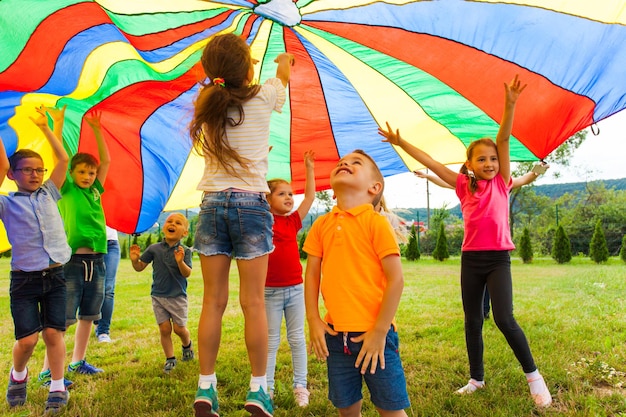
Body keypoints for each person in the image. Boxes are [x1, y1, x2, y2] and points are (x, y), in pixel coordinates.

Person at [379, 75, 552, 407]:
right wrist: (402, 144)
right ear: (470, 166)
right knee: (472, 320)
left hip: (498, 258)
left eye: (493, 159)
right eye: (481, 159)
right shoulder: (462, 186)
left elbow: (503, 137)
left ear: (500, 165)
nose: (489, 163)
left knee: (504, 318)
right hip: (471, 260)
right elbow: (430, 161)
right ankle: (476, 379)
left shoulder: (502, 183)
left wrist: (510, 104)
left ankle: (534, 376)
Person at [189, 33, 294, 417]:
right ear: (248, 67)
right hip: (251, 205)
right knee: (253, 302)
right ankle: (258, 390)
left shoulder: (208, 106)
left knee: (212, 302)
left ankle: (205, 386)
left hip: (213, 206)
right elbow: (284, 67)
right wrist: (281, 54)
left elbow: (233, 150)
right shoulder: (266, 96)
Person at [304, 150, 410, 417]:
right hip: (335, 337)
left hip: (376, 336)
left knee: (391, 410)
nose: (345, 164)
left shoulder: (376, 223)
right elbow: (312, 275)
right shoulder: (321, 224)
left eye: (355, 163)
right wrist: (314, 320)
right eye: (341, 162)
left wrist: (379, 331)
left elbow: (396, 280)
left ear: (374, 187)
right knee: (347, 408)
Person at [0, 106, 72, 413]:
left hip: (56, 275)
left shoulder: (49, 193)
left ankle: (57, 386)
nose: (35, 175)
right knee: (27, 341)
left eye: (39, 170)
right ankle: (18, 376)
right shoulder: (6, 203)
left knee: (53, 333)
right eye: (27, 170)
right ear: (11, 174)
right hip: (25, 280)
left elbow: (64, 160)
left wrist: (48, 127)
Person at [414, 162, 550, 320]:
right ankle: (484, 311)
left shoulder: (501, 184)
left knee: (498, 292)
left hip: (497, 252)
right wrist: (428, 176)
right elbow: (445, 182)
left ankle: (503, 312)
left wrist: (538, 170)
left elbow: (524, 179)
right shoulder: (468, 186)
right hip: (475, 251)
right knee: (480, 288)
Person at [57, 110, 111, 376]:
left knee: (89, 315)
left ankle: (77, 362)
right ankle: (50, 370)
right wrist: (57, 126)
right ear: (72, 173)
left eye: (91, 172)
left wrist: (98, 130)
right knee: (63, 318)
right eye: (82, 172)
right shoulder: (67, 189)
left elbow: (106, 162)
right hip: (73, 262)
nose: (88, 176)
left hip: (97, 260)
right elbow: (61, 158)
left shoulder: (94, 191)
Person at [264, 151, 315, 406]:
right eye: (281, 193)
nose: (288, 197)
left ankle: (300, 387)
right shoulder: (263, 220)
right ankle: (268, 389)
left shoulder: (293, 221)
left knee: (297, 338)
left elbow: (311, 197)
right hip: (268, 292)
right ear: (268, 198)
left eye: (290, 194)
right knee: (271, 342)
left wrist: (309, 168)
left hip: (295, 289)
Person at [129, 213, 194, 373]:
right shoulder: (154, 249)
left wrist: (180, 262)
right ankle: (170, 358)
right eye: (169, 221)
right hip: (158, 296)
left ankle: (187, 345)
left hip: (178, 297)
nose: (172, 224)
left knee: (179, 329)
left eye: (178, 223)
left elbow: (187, 274)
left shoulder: (184, 251)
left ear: (185, 232)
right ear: (164, 227)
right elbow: (140, 267)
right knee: (165, 329)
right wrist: (134, 260)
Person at [95, 225, 120, 342]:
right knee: (92, 289)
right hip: (90, 242)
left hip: (111, 243)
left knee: (108, 289)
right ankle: (95, 320)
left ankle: (103, 331)